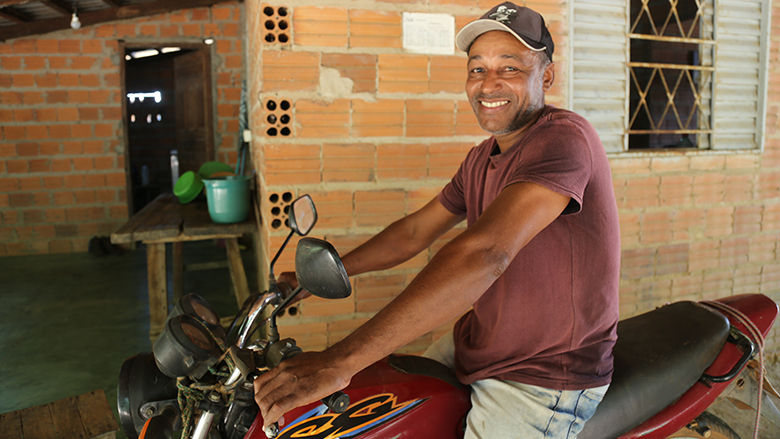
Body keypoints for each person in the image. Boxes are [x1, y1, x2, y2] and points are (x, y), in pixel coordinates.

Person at [254, 2, 620, 437]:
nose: (489, 84)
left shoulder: (563, 139)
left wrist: (340, 361)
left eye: (510, 68)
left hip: (541, 375)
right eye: (477, 69)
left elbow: (485, 254)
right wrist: (311, 280)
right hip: (479, 345)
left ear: (547, 76)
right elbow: (412, 233)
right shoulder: (481, 159)